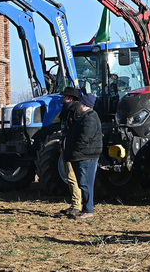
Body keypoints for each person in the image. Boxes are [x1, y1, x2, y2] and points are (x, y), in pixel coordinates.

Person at [61, 88, 102, 220]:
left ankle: (87, 210)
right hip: (82, 155)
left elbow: (84, 138)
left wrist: (75, 152)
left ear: (84, 105)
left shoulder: (89, 119)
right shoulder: (83, 117)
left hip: (86, 156)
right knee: (82, 182)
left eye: (80, 103)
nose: (77, 105)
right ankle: (84, 208)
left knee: (85, 183)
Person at [57, 87, 83, 218]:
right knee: (71, 176)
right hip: (67, 148)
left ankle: (77, 205)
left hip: (69, 149)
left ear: (70, 98)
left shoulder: (71, 110)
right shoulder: (70, 110)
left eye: (64, 96)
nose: (62, 98)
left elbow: (70, 132)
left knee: (72, 177)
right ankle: (75, 204)